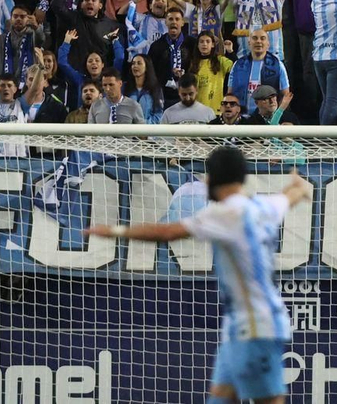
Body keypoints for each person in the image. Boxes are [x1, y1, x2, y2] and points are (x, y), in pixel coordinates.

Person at [85, 147, 311, 404]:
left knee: (268, 400)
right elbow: (288, 197)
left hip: (256, 325)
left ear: (214, 177)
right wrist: (298, 186)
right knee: (220, 399)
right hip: (240, 327)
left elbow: (168, 232)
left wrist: (115, 231)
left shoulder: (224, 213)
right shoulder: (262, 205)